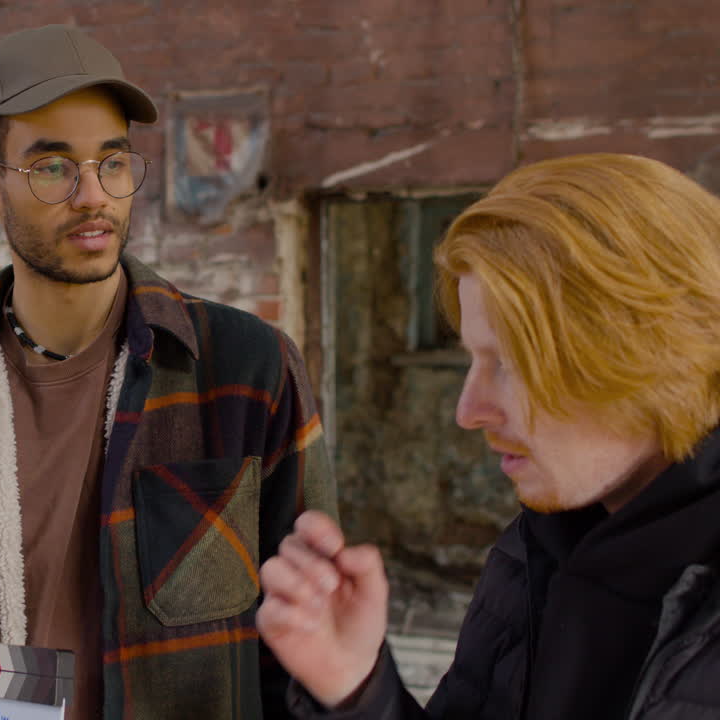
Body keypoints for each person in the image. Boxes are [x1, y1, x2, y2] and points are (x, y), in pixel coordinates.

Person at [0, 23, 336, 720]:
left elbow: (315, 640)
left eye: (112, 163)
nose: (93, 196)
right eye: (53, 167)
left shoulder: (246, 369)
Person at [256, 153, 720, 719]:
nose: (468, 411)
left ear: (653, 353)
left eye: (513, 363)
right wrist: (358, 689)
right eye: (471, 361)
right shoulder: (536, 547)